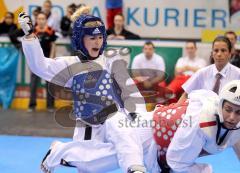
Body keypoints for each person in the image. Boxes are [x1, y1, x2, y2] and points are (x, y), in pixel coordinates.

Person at [18, 5, 147, 173]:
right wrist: (29, 37)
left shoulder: (111, 60)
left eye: (100, 37)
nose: (97, 42)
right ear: (80, 40)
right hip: (87, 124)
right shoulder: (71, 64)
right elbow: (40, 66)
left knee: (127, 137)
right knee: (88, 166)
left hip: (113, 116)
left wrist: (138, 115)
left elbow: (128, 89)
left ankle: (134, 168)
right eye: (92, 38)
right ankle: (59, 152)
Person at [32, 80, 240, 173]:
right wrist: (204, 170)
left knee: (106, 157)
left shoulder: (220, 112)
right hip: (149, 135)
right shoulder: (200, 124)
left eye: (238, 112)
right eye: (228, 109)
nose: (231, 117)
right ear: (221, 104)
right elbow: (175, 162)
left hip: (155, 131)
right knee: (101, 162)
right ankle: (58, 153)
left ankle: (59, 152)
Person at [178, 36, 240, 103]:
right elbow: (185, 95)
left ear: (230, 54)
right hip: (203, 112)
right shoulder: (202, 73)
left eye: (223, 50)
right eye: (216, 50)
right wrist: (176, 111)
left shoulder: (238, 74)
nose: (219, 54)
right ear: (212, 54)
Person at [28, 12, 57, 112]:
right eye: (39, 19)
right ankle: (32, 106)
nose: (41, 20)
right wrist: (30, 61)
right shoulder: (32, 32)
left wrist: (52, 59)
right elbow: (30, 48)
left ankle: (50, 106)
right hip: (35, 63)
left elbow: (53, 45)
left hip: (47, 62)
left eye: (43, 18)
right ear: (36, 20)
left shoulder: (51, 31)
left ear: (46, 20)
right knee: (33, 85)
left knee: (49, 84)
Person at [132, 41, 166, 105]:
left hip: (155, 82)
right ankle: (135, 102)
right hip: (141, 82)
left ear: (153, 50)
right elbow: (135, 73)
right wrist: (145, 81)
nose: (147, 51)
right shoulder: (137, 58)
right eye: (145, 49)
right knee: (133, 82)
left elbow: (161, 75)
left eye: (150, 49)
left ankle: (160, 104)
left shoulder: (159, 59)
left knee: (162, 84)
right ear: (143, 50)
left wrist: (150, 82)